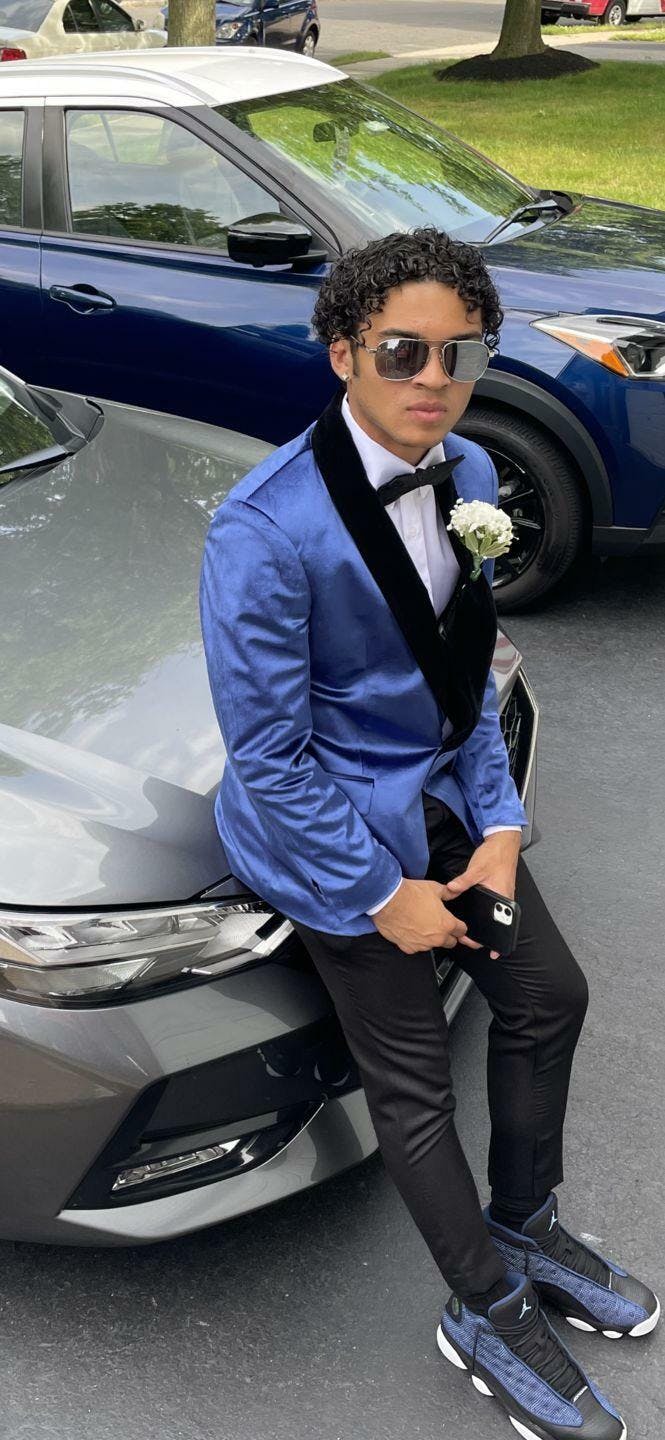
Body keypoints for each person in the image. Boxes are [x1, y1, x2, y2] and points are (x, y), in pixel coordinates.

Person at [199, 228, 658, 1440]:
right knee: (411, 1091)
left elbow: (466, 668)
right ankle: (484, 1307)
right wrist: (378, 896)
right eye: (404, 351)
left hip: (445, 806)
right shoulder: (261, 530)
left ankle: (525, 1224)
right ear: (342, 352)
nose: (435, 380)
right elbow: (270, 759)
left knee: (546, 997)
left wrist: (498, 825)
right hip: (331, 838)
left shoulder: (468, 473)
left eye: (464, 354)